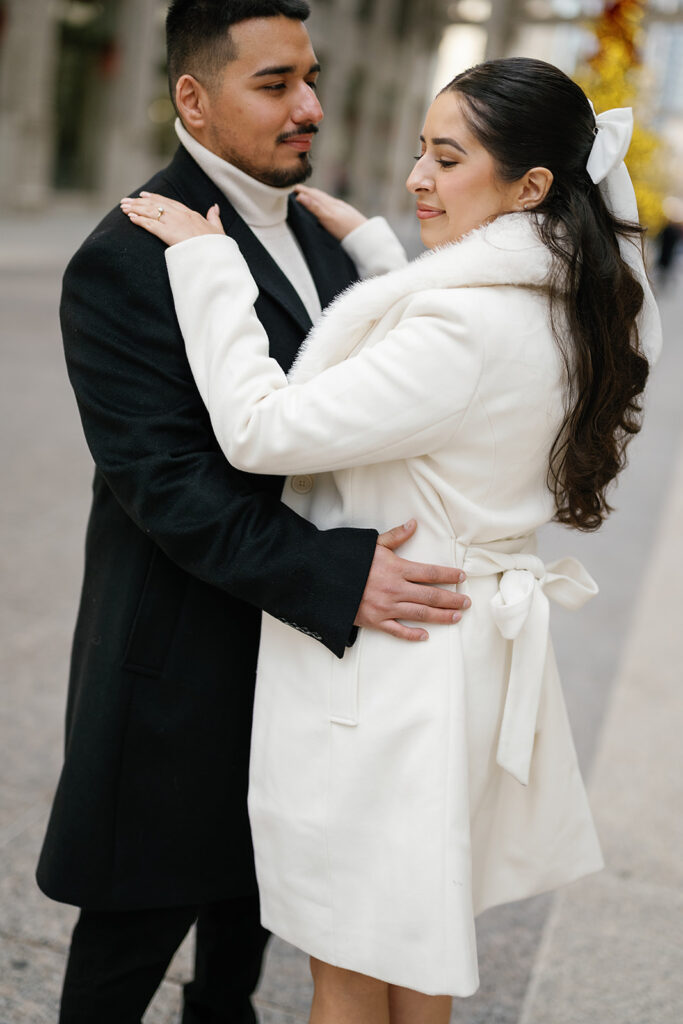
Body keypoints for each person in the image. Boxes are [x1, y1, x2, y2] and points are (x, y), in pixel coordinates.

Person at [123, 57, 662, 1023]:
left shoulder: (459, 329)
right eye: (418, 149)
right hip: (462, 655)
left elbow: (264, 426)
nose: (416, 176)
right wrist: (380, 255)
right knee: (415, 952)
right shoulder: (573, 303)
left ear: (529, 187)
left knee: (346, 964)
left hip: (391, 677)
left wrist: (208, 267)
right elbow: (439, 376)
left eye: (446, 159)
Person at [36, 3, 471, 1022]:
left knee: (245, 939)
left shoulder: (315, 231)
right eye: (274, 85)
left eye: (309, 78)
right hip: (178, 668)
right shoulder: (127, 255)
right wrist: (337, 574)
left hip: (298, 672)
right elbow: (165, 484)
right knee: (125, 949)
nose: (308, 107)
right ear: (191, 96)